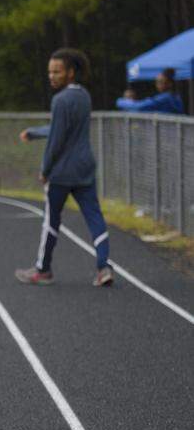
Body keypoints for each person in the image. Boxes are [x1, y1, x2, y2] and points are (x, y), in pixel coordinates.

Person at [16, 49, 114, 287]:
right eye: (50, 71)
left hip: (61, 173)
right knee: (95, 217)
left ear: (70, 73)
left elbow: (57, 140)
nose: (51, 75)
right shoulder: (84, 97)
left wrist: (45, 169)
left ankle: (43, 270)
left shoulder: (60, 100)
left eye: (57, 71)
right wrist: (35, 132)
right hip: (84, 170)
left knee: (51, 221)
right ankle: (104, 267)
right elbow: (61, 130)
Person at [116, 68, 185, 115]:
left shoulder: (165, 98)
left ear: (170, 84)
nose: (157, 85)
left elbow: (139, 107)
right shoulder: (175, 97)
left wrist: (121, 101)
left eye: (160, 82)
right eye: (157, 82)